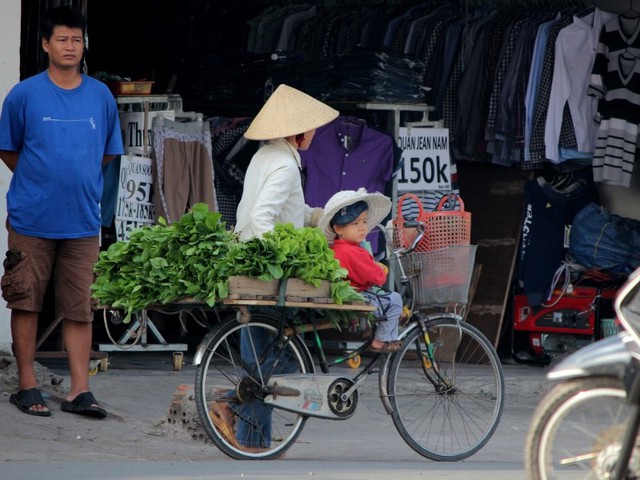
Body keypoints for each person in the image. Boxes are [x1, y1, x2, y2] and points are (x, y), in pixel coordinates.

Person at [0, 6, 123, 418]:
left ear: (83, 45)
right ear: (46, 44)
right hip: (31, 218)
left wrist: (76, 179)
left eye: (77, 39)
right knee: (26, 301)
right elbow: (8, 148)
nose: (70, 46)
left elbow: (107, 152)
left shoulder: (100, 95)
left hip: (82, 221)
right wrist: (41, 180)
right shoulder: (24, 94)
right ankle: (28, 386)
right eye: (63, 39)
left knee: (80, 306)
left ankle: (79, 390)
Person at [210, 84, 338, 453]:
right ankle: (239, 418)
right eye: (311, 128)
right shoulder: (284, 165)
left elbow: (284, 212)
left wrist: (318, 218)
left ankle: (250, 433)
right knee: (271, 362)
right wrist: (277, 257)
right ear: (297, 132)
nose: (314, 134)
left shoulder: (267, 156)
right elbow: (263, 217)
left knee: (260, 354)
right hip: (265, 272)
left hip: (249, 266)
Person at [319, 188, 404, 353]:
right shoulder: (353, 252)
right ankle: (380, 341)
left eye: (364, 222)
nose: (362, 228)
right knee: (394, 300)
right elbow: (375, 277)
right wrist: (381, 272)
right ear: (338, 229)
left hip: (349, 292)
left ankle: (370, 328)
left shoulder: (337, 248)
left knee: (379, 296)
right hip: (357, 295)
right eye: (355, 223)